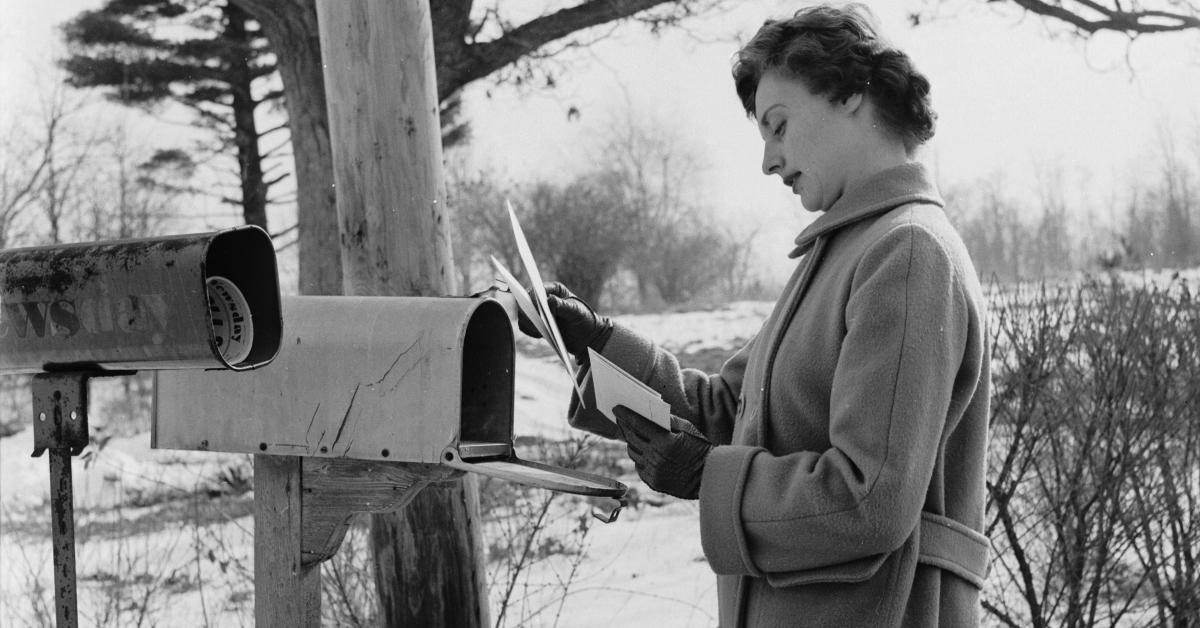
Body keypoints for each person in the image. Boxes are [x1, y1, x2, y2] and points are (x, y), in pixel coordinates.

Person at [521, 4, 990, 626]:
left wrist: (706, 477)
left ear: (851, 92)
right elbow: (728, 411)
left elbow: (869, 498)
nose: (768, 160)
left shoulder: (906, 251)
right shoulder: (848, 249)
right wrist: (597, 342)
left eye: (778, 125)